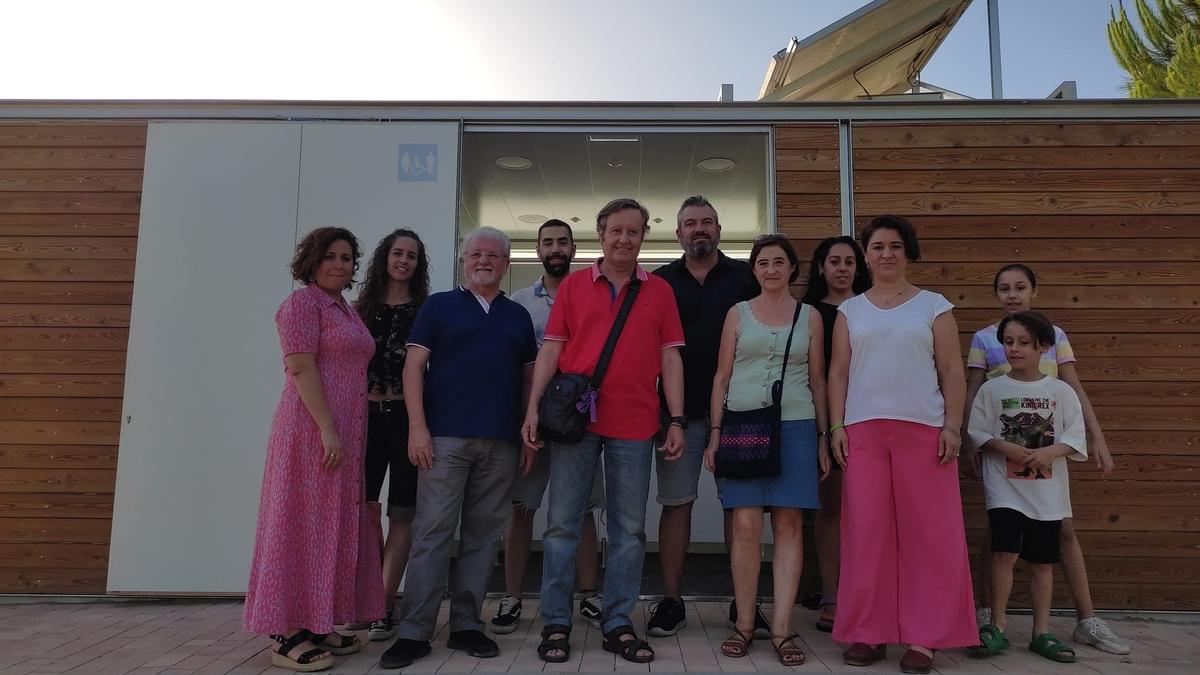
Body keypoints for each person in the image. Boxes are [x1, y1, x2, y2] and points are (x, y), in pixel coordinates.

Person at [523, 198, 686, 665]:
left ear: (643, 237)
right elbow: (551, 352)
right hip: (577, 423)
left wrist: (674, 418)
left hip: (635, 424)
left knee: (630, 530)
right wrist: (532, 408)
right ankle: (556, 620)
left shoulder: (660, 291)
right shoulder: (575, 286)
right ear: (600, 233)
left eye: (633, 232)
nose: (623, 239)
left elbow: (671, 359)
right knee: (561, 525)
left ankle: (617, 622)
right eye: (615, 230)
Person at [380, 227, 537, 669]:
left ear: (506, 264)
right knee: (431, 535)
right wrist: (417, 427)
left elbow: (527, 379)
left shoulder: (517, 316)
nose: (484, 260)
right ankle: (414, 631)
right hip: (443, 439)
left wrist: (526, 428)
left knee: (482, 539)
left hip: (502, 442)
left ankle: (468, 624)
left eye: (493, 255)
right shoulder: (439, 306)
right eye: (476, 254)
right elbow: (413, 368)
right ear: (464, 260)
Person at [828, 215, 976, 674]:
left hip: (924, 430)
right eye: (877, 247)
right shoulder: (850, 311)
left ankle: (924, 637)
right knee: (866, 533)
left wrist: (952, 427)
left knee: (927, 536)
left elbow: (952, 370)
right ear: (866, 256)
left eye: (895, 246)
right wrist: (836, 427)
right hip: (864, 432)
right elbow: (837, 373)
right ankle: (868, 634)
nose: (886, 254)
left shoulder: (934, 306)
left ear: (908, 252)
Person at [963, 263, 1129, 655]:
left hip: (1047, 471)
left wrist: (1095, 438)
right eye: (1004, 288)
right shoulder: (984, 339)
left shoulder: (1054, 338)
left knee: (1054, 540)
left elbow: (1073, 390)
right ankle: (990, 619)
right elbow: (973, 396)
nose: (1012, 294)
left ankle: (1080, 621)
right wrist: (973, 446)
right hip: (1002, 468)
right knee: (1000, 539)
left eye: (1020, 287)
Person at [243, 227, 383, 673]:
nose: (340, 265)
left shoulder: (344, 309)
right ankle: (286, 633)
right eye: (331, 257)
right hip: (310, 434)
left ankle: (317, 623)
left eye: (347, 258)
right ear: (312, 261)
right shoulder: (301, 304)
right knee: (299, 524)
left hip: (345, 436)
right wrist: (327, 429)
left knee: (329, 527)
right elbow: (301, 368)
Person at [704, 234, 830, 667]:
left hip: (795, 424)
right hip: (742, 424)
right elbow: (721, 377)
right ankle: (744, 622)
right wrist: (716, 432)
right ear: (754, 270)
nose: (771, 269)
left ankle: (781, 628)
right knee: (744, 526)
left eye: (779, 262)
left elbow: (817, 380)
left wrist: (823, 436)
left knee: (790, 526)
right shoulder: (737, 314)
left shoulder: (810, 316)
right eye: (763, 263)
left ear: (792, 268)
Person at [648, 196, 762, 638]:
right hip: (675, 416)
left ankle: (745, 604)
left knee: (739, 510)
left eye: (707, 222)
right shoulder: (658, 283)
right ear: (678, 233)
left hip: (740, 415)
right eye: (690, 223)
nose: (700, 229)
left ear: (719, 229)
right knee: (676, 506)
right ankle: (672, 601)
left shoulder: (746, 279)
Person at [492, 219, 607, 634]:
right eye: (547, 242)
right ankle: (512, 598)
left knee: (585, 510)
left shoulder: (592, 295)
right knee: (520, 510)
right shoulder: (519, 303)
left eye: (562, 242)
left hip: (579, 423)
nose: (555, 248)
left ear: (574, 248)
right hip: (532, 423)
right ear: (538, 249)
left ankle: (590, 595)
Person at [968, 311, 1087, 664]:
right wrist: (1003, 447)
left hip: (1047, 495)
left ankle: (1041, 632)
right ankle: (997, 627)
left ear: (1044, 347)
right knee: (1003, 552)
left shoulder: (1061, 391)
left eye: (1023, 342)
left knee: (1042, 562)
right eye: (1008, 342)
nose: (1014, 349)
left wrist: (1051, 450)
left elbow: (1074, 436)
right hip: (1004, 489)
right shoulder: (992, 389)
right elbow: (978, 432)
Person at [354, 228, 431, 642]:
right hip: (363, 417)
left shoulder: (426, 312)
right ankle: (364, 598)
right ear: (384, 257)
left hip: (407, 418)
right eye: (398, 252)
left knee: (401, 511)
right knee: (365, 509)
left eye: (412, 256)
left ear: (419, 265)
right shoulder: (357, 310)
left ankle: (383, 604)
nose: (404, 260)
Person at [800, 235, 870, 634]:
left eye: (849, 262)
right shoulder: (809, 313)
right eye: (834, 261)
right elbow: (816, 376)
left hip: (872, 417)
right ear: (821, 267)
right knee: (831, 510)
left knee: (869, 513)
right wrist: (825, 429)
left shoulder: (873, 308)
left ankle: (866, 593)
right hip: (826, 420)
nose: (842, 268)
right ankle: (832, 594)